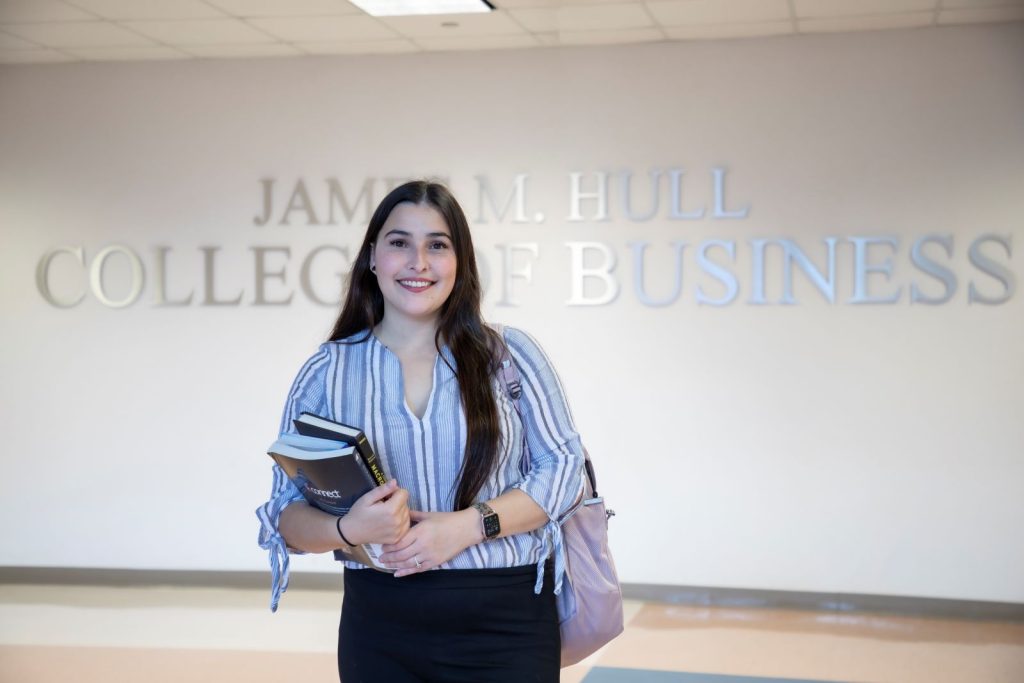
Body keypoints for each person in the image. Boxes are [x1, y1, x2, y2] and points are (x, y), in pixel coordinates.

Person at [256, 180, 585, 682]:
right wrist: (348, 530)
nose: (419, 262)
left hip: (508, 628)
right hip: (380, 630)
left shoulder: (510, 355)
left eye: (437, 244)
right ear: (372, 257)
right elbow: (284, 514)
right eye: (399, 243)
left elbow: (563, 469)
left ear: (461, 261)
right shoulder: (328, 371)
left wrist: (467, 527)